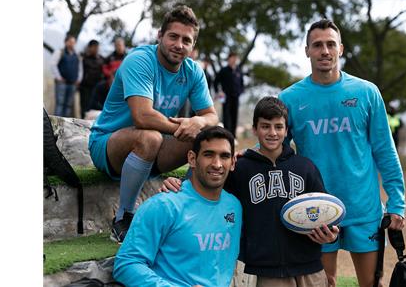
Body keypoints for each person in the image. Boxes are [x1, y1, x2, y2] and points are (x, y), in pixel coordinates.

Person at [278, 19, 406, 287]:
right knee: (326, 283)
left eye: (330, 44)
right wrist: (246, 157)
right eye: (317, 45)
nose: (324, 51)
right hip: (317, 209)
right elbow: (275, 147)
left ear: (341, 49)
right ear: (307, 51)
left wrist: (397, 202)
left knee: (371, 283)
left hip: (364, 208)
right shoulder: (289, 99)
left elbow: (385, 150)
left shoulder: (367, 92)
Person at [161, 97, 339, 287]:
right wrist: (179, 182)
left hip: (310, 267)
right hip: (267, 270)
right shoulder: (240, 168)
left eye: (278, 127)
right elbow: (205, 185)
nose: (272, 133)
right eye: (265, 126)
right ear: (255, 129)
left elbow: (325, 211)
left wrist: (332, 235)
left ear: (287, 130)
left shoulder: (305, 167)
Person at [88, 5, 219, 244]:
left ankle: (187, 208)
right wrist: (184, 128)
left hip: (153, 151)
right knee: (150, 136)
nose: (179, 44)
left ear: (192, 46)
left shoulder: (193, 71)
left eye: (186, 40)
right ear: (160, 36)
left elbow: (212, 116)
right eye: (173, 36)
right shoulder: (140, 60)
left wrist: (197, 122)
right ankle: (124, 216)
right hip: (107, 145)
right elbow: (143, 116)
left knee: (208, 136)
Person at [113, 126, 242, 287]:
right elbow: (126, 264)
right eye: (208, 155)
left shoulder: (235, 206)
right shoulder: (163, 205)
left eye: (224, 156)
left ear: (233, 162)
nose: (217, 164)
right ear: (192, 159)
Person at [51, 34, 83, 117]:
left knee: (68, 105)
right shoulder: (60, 52)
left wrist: (79, 79)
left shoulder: (77, 54)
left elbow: (80, 68)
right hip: (62, 83)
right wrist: (58, 77)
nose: (72, 44)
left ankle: (65, 126)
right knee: (60, 104)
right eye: (70, 42)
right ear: (65, 42)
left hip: (72, 84)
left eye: (73, 42)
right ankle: (55, 124)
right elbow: (53, 65)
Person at [214, 52, 244, 137]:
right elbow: (216, 82)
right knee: (226, 116)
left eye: (236, 58)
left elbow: (242, 84)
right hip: (225, 97)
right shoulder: (224, 70)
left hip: (236, 97)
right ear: (229, 59)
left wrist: (240, 92)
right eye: (232, 58)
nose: (234, 60)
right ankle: (227, 135)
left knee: (235, 115)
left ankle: (233, 136)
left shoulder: (238, 71)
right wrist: (219, 92)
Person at [80, 39, 104, 118]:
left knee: (96, 107)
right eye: (94, 47)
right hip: (85, 87)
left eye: (97, 47)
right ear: (90, 47)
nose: (96, 49)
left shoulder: (101, 59)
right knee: (84, 106)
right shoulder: (84, 58)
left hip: (97, 88)